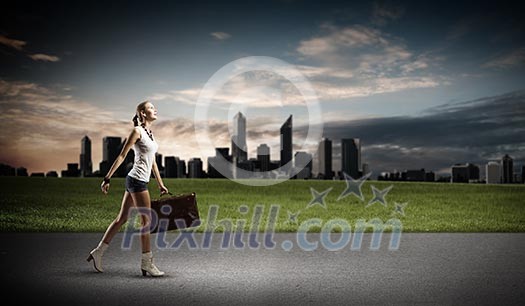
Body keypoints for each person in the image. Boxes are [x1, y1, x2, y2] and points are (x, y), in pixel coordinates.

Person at [87, 100, 169, 277]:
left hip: (137, 180)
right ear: (142, 113)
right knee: (147, 222)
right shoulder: (137, 131)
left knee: (121, 218)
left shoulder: (150, 134)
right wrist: (107, 177)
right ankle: (147, 263)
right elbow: (123, 155)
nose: (155, 110)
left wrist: (160, 184)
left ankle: (98, 252)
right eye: (151, 108)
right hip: (137, 180)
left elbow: (152, 162)